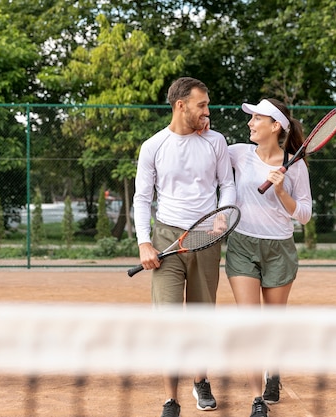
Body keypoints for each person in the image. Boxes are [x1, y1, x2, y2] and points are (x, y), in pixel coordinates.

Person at [133, 77, 236, 417]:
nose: (207, 111)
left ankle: (200, 379)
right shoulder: (153, 146)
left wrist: (222, 215)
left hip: (206, 237)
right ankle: (170, 399)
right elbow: (142, 198)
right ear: (181, 106)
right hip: (166, 238)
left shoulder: (216, 142)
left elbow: (227, 184)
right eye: (202, 105)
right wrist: (144, 242)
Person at [226, 98, 313, 417]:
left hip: (279, 248)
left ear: (275, 126)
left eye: (257, 119)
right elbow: (211, 151)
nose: (250, 123)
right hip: (242, 246)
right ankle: (256, 400)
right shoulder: (237, 153)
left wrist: (281, 192)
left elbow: (304, 215)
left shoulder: (296, 165)